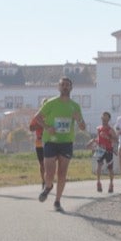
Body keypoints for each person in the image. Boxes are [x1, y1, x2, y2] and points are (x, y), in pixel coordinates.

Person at [30, 76, 88, 213]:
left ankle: (57, 201)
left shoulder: (75, 106)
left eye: (68, 85)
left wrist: (78, 119)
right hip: (50, 141)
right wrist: (46, 127)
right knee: (49, 172)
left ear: (71, 88)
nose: (65, 87)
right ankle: (48, 186)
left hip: (66, 142)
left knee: (62, 173)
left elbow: (83, 127)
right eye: (63, 85)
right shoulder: (51, 103)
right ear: (59, 87)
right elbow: (36, 118)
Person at [90, 111, 117, 192]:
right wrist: (94, 145)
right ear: (101, 118)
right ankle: (98, 183)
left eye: (106, 117)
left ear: (108, 119)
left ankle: (111, 184)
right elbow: (98, 138)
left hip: (108, 150)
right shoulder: (99, 128)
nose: (104, 118)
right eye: (103, 117)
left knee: (110, 168)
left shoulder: (110, 130)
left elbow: (116, 140)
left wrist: (108, 137)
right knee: (99, 166)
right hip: (100, 149)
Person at [29, 112, 50, 193]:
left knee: (49, 164)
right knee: (42, 164)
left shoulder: (52, 115)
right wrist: (42, 124)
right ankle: (44, 182)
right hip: (39, 143)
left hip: (50, 142)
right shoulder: (37, 116)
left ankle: (49, 181)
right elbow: (31, 128)